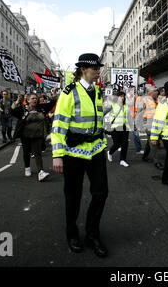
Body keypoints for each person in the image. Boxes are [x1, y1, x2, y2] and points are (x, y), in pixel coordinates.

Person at [51, 53, 109, 257]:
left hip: (96, 150)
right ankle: (72, 233)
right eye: (95, 68)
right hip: (73, 153)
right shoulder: (69, 92)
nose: (98, 71)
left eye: (98, 68)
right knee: (73, 196)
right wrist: (57, 155)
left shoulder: (98, 92)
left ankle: (92, 234)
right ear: (83, 69)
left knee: (101, 192)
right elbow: (58, 124)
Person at [12, 90, 57, 181]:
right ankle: (27, 168)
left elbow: (52, 104)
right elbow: (12, 111)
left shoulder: (41, 108)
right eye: (32, 98)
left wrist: (54, 94)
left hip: (38, 135)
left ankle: (41, 172)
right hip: (25, 135)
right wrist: (16, 102)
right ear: (28, 100)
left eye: (36, 98)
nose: (35, 100)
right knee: (26, 152)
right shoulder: (23, 109)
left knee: (38, 153)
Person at [140, 86, 164, 170]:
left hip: (156, 124)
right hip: (149, 125)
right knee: (154, 143)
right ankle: (156, 161)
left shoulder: (156, 100)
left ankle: (145, 157)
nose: (157, 92)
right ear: (150, 92)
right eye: (155, 91)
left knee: (149, 142)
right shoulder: (144, 100)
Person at [106, 91, 130, 168]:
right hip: (115, 128)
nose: (122, 98)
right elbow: (107, 117)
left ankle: (122, 160)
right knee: (117, 144)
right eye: (120, 96)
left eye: (123, 96)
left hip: (124, 127)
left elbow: (127, 117)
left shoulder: (125, 106)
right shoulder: (112, 105)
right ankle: (110, 152)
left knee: (125, 144)